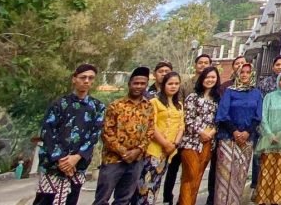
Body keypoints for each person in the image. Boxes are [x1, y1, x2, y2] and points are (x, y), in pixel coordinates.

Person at [34, 64, 105, 205]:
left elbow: (94, 135)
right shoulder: (59, 104)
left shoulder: (98, 107)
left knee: (70, 200)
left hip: (77, 166)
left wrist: (76, 158)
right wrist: (61, 160)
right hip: (53, 167)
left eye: (90, 78)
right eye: (83, 77)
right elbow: (47, 132)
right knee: (44, 200)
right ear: (74, 79)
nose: (86, 81)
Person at [94, 67, 153, 205]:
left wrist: (138, 151)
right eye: (136, 83)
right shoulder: (116, 105)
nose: (138, 86)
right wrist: (124, 152)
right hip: (114, 160)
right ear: (129, 84)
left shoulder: (148, 106)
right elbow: (107, 133)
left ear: (146, 85)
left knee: (124, 199)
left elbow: (150, 131)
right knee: (102, 199)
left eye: (142, 83)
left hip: (136, 160)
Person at [213, 63, 262, 205]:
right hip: (228, 138)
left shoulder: (256, 93)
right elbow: (222, 113)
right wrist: (234, 131)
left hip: (247, 140)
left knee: (239, 176)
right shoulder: (230, 91)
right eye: (242, 72)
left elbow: (258, 116)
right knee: (224, 177)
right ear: (238, 74)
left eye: (248, 72)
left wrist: (246, 132)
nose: (245, 75)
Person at [139, 73, 184, 205]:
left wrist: (174, 144)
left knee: (156, 184)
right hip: (153, 150)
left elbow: (181, 126)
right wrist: (165, 143)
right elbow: (151, 126)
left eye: (176, 84)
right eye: (170, 84)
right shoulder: (155, 102)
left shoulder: (179, 105)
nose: (173, 86)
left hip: (168, 152)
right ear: (164, 85)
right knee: (145, 185)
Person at [177, 66, 219, 205]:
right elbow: (188, 119)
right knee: (190, 177)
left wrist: (210, 133)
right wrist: (201, 132)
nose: (210, 80)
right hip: (191, 142)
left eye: (213, 77)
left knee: (198, 179)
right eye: (207, 77)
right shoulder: (193, 97)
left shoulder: (217, 100)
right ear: (202, 79)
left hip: (208, 144)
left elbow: (218, 120)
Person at [255, 70, 281, 205]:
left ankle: (277, 199)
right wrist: (269, 133)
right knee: (266, 168)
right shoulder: (269, 96)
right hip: (268, 137)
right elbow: (263, 115)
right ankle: (263, 199)